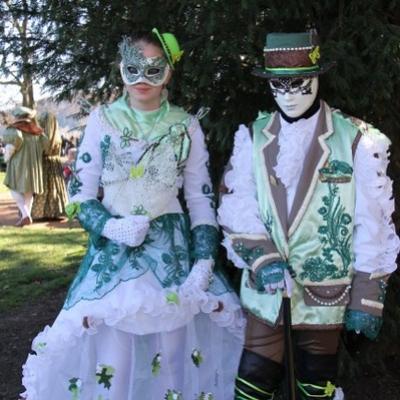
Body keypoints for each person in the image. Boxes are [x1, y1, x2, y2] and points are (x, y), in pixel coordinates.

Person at [21, 29, 244, 399]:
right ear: (121, 68)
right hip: (114, 255)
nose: (142, 80)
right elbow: (80, 192)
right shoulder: (102, 120)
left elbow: (200, 198)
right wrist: (111, 226)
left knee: (174, 355)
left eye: (154, 70)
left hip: (172, 253)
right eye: (133, 69)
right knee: (115, 361)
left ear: (169, 73)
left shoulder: (185, 125)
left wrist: (204, 260)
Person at [218, 31, 399, 400]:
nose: (287, 93)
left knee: (317, 384)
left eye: (298, 82)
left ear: (317, 77)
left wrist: (366, 298)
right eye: (277, 84)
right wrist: (263, 260)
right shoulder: (252, 137)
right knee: (253, 380)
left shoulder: (357, 141)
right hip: (266, 292)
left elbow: (375, 225)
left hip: (326, 293)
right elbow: (237, 208)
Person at [2, 106, 48, 227]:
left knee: (12, 187)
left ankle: (26, 215)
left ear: (18, 118)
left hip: (19, 165)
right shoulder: (39, 133)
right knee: (28, 192)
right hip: (33, 166)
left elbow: (10, 149)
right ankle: (25, 217)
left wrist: (6, 159)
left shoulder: (14, 131)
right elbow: (46, 147)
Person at [31, 111, 68, 220]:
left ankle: (40, 213)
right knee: (55, 188)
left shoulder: (42, 137)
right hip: (55, 165)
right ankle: (57, 212)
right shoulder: (57, 138)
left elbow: (42, 151)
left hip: (44, 164)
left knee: (44, 188)